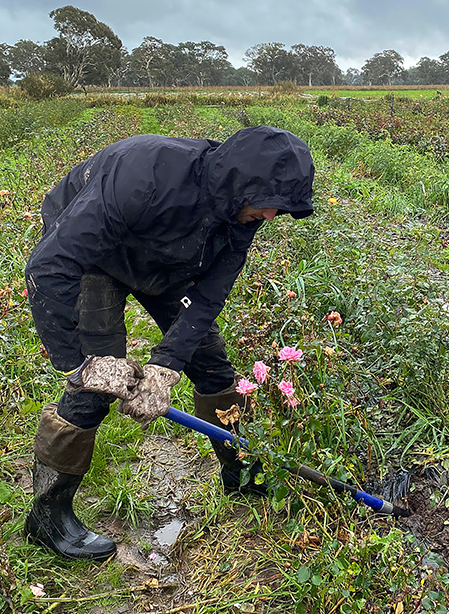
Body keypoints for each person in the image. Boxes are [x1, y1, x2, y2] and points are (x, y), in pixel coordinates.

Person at [23, 126, 315, 560]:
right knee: (95, 387)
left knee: (213, 369)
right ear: (242, 184)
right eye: (270, 205)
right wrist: (76, 364)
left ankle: (239, 467)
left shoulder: (241, 212)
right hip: (97, 257)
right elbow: (48, 268)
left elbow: (208, 296)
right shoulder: (146, 173)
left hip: (169, 263)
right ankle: (48, 516)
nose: (272, 217)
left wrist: (166, 365)